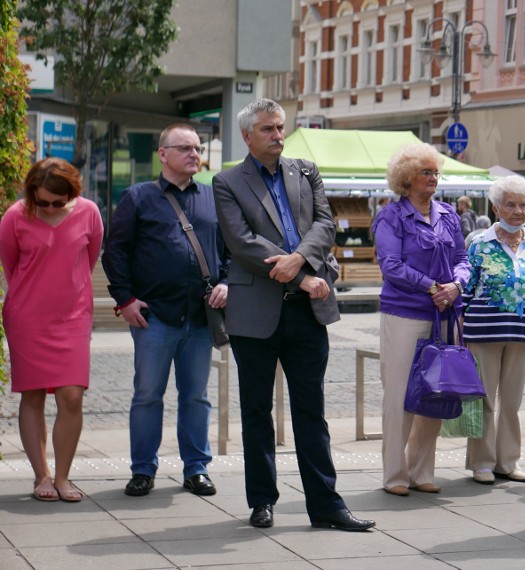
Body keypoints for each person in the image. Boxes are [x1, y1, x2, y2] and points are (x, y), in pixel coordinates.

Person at [212, 98, 375, 532]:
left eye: (280, 127)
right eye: (267, 129)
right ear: (248, 136)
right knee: (256, 411)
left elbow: (325, 225)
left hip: (307, 313)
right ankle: (262, 500)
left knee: (311, 411)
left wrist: (298, 260)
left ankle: (326, 506)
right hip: (256, 312)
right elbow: (242, 242)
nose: (278, 135)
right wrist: (301, 277)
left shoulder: (306, 170)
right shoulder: (227, 181)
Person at [102, 124, 228, 498]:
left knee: (196, 397)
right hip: (154, 316)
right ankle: (143, 469)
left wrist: (227, 282)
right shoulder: (138, 197)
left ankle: (196, 469)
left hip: (201, 317)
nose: (194, 154)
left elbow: (231, 250)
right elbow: (115, 252)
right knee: (147, 394)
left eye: (197, 147)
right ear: (163, 154)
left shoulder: (213, 198)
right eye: (185, 148)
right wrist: (124, 299)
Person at [0, 158, 103, 502]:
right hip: (27, 318)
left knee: (71, 395)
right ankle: (41, 475)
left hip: (73, 317)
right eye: (41, 201)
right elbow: (12, 267)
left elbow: (88, 261)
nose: (48, 207)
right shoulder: (15, 216)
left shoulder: (89, 212)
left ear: (72, 193)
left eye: (57, 203)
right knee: (32, 395)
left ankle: (62, 477)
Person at [372, 142, 471, 497]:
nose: (433, 178)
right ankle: (395, 475)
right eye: (425, 172)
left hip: (445, 311)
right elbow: (391, 265)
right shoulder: (391, 216)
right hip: (405, 312)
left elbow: (463, 258)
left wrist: (457, 285)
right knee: (399, 394)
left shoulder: (448, 214)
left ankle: (421, 470)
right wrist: (432, 286)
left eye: (435, 172)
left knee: (435, 391)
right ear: (406, 178)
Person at [462, 175, 525, 485]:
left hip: (522, 331)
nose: (518, 211)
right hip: (483, 332)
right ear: (495, 208)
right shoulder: (479, 243)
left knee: (512, 401)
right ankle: (481, 462)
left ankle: (508, 461)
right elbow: (466, 288)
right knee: (484, 399)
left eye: (522, 204)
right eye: (510, 205)